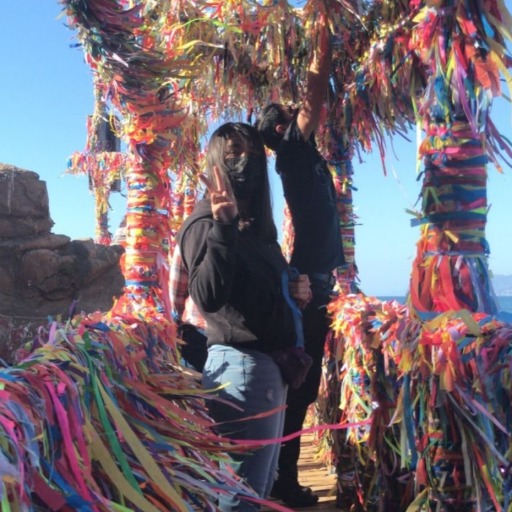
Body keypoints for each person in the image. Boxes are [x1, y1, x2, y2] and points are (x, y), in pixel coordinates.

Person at [176, 122, 311, 511]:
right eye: (234, 153)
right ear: (216, 160)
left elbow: (258, 293)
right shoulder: (207, 223)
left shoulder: (253, 229)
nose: (245, 163)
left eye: (253, 154)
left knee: (256, 489)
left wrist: (296, 289)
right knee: (241, 496)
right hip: (243, 369)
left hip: (268, 369)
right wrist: (222, 226)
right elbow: (207, 297)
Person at [255, 10, 345, 508]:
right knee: (302, 389)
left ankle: (279, 479)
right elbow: (317, 99)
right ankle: (281, 483)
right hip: (312, 277)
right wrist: (321, 28)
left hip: (318, 275)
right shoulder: (291, 150)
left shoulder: (296, 155)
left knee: (303, 389)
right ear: (285, 127)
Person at [169, 244, 208, 372]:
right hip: (244, 334)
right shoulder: (250, 234)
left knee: (196, 386)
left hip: (199, 329)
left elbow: (177, 291)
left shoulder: (190, 235)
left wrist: (177, 318)